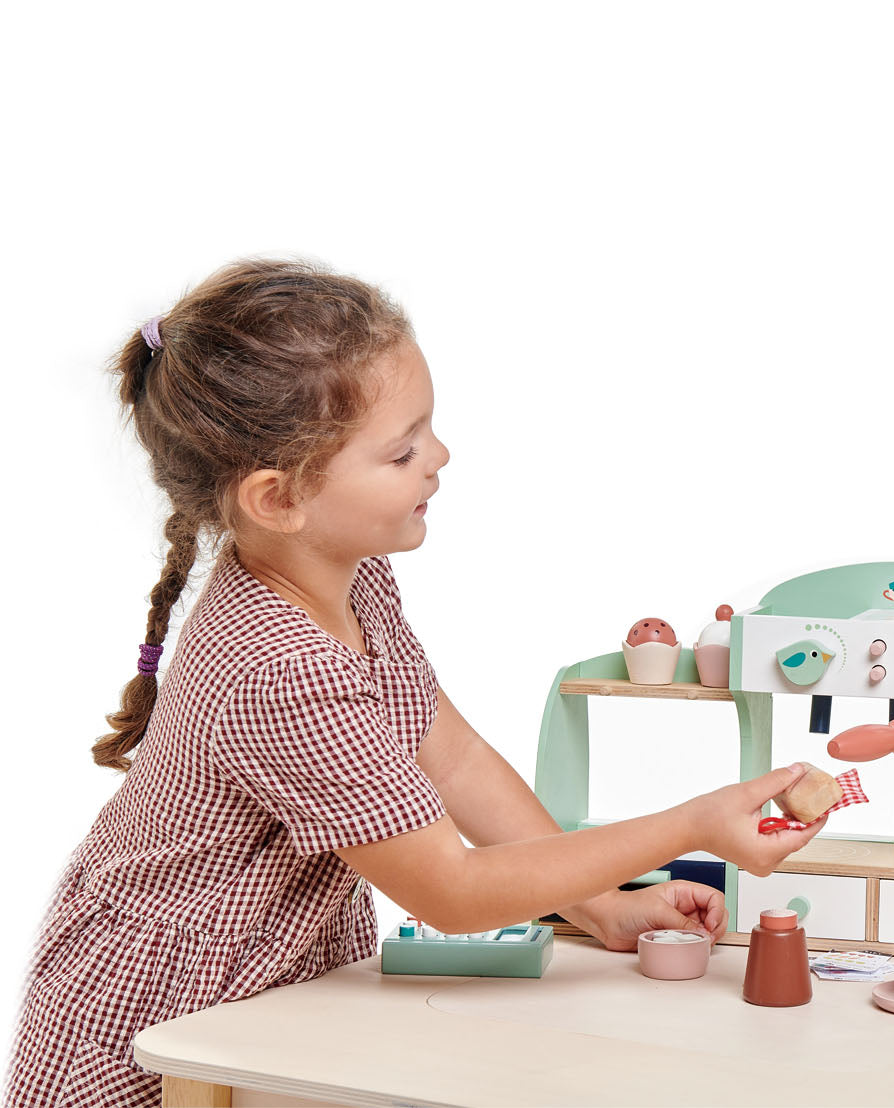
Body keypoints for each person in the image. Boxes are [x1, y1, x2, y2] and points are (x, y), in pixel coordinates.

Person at [4, 260, 826, 1107]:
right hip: (164, 1013)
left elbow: (453, 757)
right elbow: (453, 890)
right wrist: (690, 824)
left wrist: (601, 903)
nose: (439, 456)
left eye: (428, 429)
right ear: (277, 499)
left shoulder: (348, 574)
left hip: (278, 980)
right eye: (402, 450)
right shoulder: (281, 671)